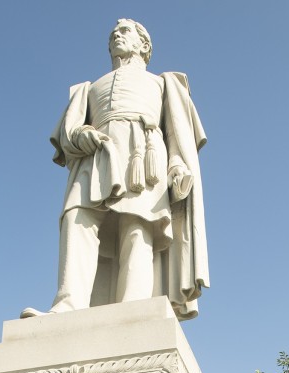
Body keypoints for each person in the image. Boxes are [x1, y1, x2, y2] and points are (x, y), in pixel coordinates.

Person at [21, 19, 209, 322]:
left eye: (124, 32)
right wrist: (80, 135)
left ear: (143, 45)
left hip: (144, 155)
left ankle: (131, 309)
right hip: (94, 155)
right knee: (76, 219)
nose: (116, 37)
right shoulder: (88, 87)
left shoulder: (163, 83)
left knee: (137, 227)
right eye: (112, 34)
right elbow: (67, 134)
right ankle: (68, 305)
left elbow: (177, 135)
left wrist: (177, 166)